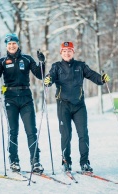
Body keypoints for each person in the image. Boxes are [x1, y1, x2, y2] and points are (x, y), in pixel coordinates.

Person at [44, 41, 110, 172]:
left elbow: (92, 75)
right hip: (63, 106)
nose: (67, 53)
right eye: (64, 51)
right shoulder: (56, 67)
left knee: (83, 134)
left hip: (79, 106)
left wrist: (101, 79)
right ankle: (66, 162)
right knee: (66, 135)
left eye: (69, 51)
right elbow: (50, 77)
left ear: (73, 52)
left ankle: (84, 162)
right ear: (61, 53)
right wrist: (48, 80)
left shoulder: (80, 66)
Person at [0, 33, 45, 173]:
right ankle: (14, 161)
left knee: (31, 130)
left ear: (18, 44)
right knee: (13, 131)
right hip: (10, 99)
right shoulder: (2, 61)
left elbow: (40, 75)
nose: (12, 46)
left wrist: (42, 62)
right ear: (6, 46)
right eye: (9, 44)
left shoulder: (26, 59)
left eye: (14, 43)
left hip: (26, 97)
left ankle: (35, 161)